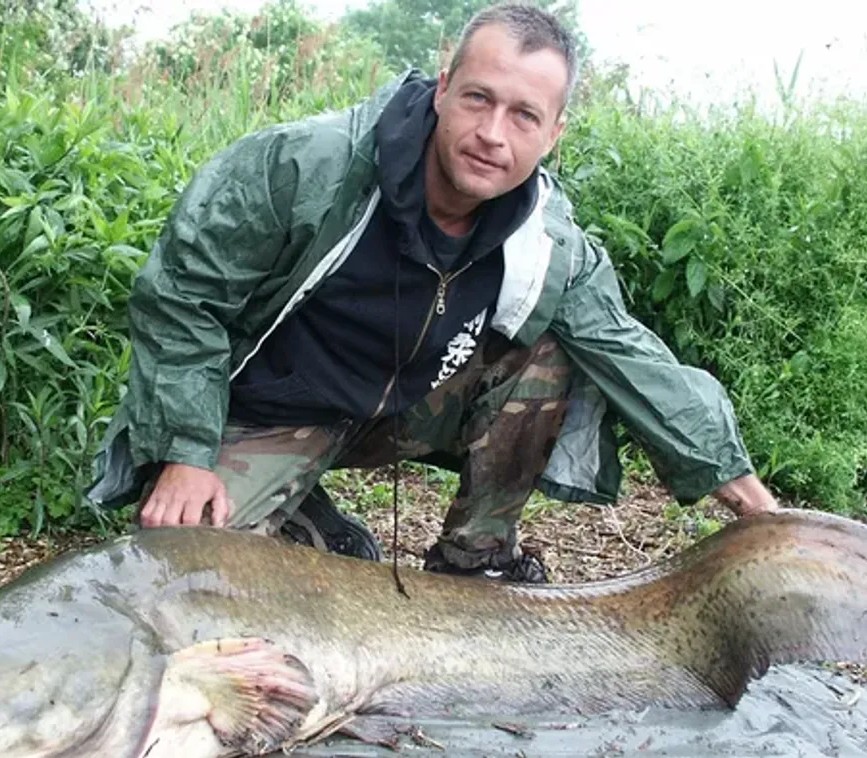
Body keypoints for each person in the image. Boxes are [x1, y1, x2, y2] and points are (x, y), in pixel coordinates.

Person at [86, 2, 779, 583]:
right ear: (443, 87)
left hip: (398, 409)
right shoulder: (304, 166)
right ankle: (304, 513)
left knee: (551, 351)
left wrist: (743, 491)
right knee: (181, 571)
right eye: (478, 97)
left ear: (554, 133)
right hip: (269, 410)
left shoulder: (549, 244)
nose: (490, 134)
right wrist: (186, 453)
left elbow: (627, 350)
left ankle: (473, 559)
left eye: (523, 116)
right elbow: (182, 299)